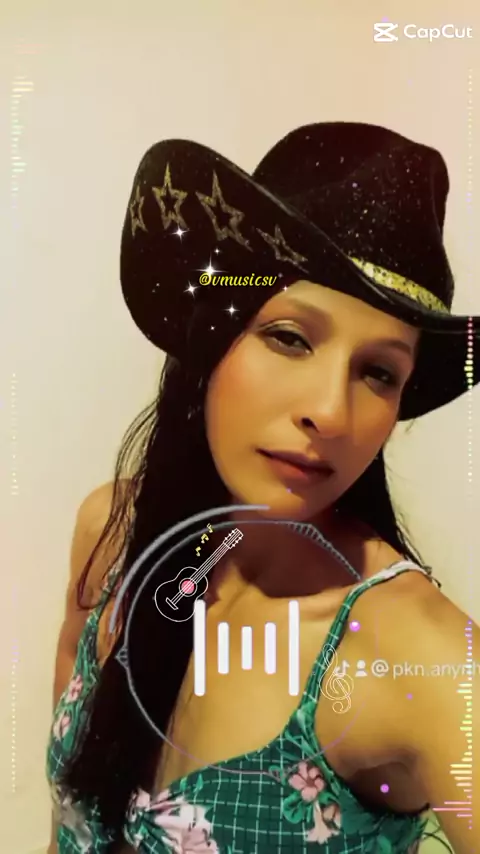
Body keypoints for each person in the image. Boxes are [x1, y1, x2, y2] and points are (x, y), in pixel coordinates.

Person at [47, 122, 479, 854]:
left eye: (378, 372)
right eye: (290, 337)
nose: (332, 412)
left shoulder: (424, 663)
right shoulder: (113, 537)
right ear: (213, 332)